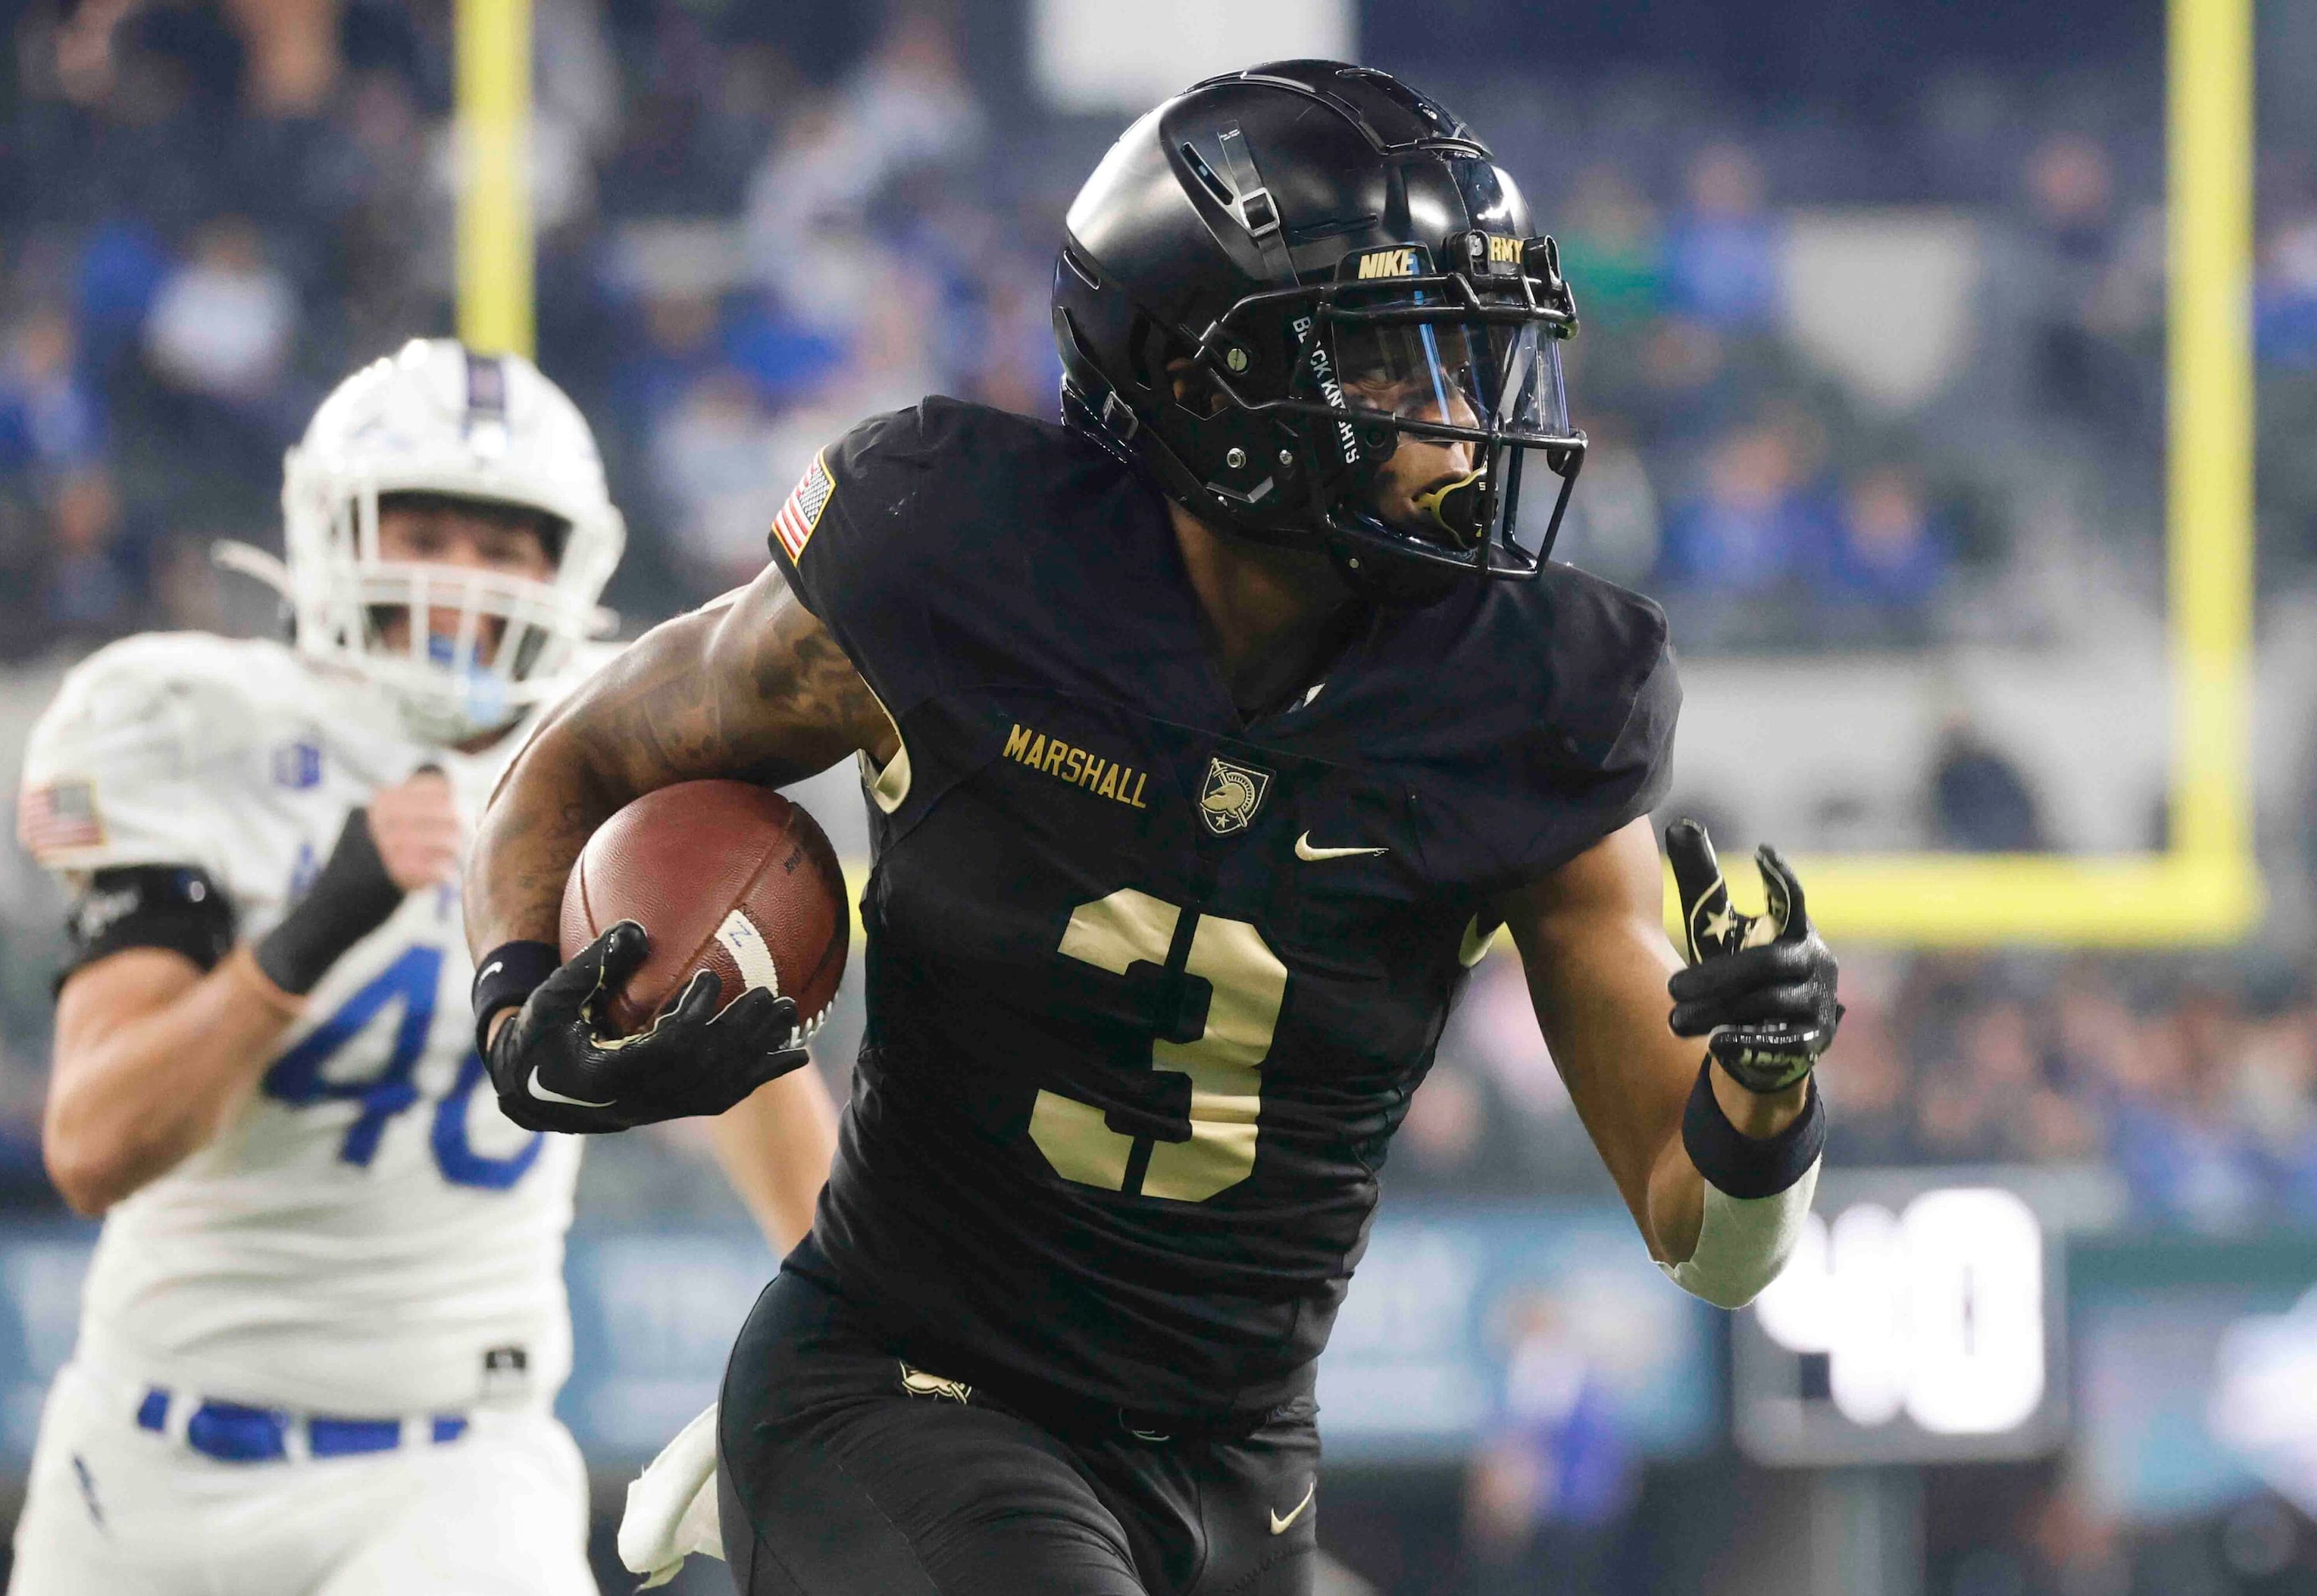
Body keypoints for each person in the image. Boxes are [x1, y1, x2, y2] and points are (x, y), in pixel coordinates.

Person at [465, 63, 1840, 1596]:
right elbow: (572, 753)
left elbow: (1713, 1243)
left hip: (1238, 1471)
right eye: (1389, 368)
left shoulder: (1530, 693)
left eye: (1470, 360)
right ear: (1197, 379)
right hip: (906, 1388)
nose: (1459, 429)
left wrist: (1767, 1085)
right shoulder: (955, 559)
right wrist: (518, 994)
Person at [6, 338, 839, 1595]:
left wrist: (851, 1335)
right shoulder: (194, 726)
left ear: (574, 567)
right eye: (428, 530)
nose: (465, 581)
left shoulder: (613, 764)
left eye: (506, 545)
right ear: (330, 531)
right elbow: (92, 1145)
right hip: (151, 1460)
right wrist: (308, 933)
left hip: (454, 1470)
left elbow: (756, 1082)